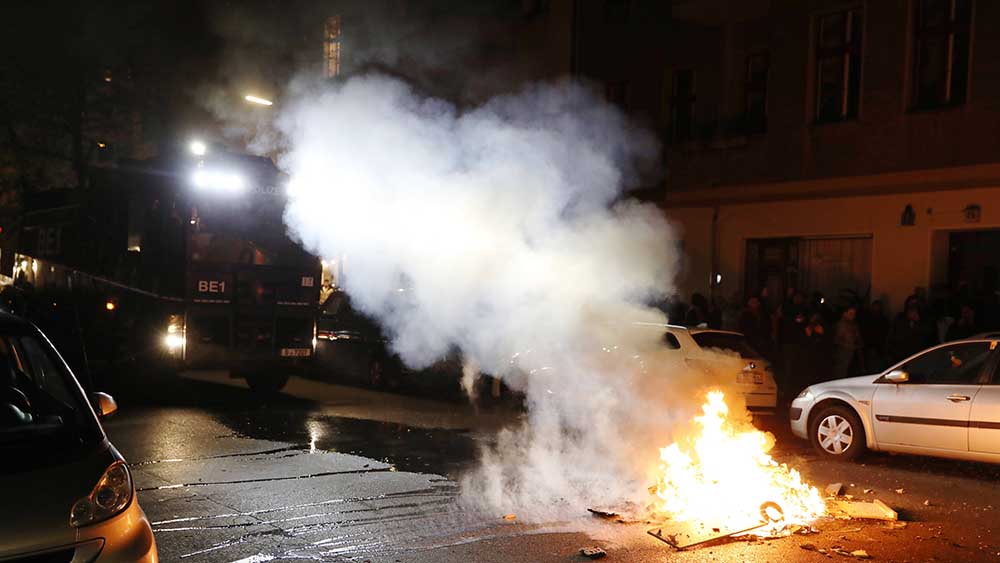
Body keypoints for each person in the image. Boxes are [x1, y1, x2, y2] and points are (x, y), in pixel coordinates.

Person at [833, 306, 864, 380]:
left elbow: (857, 337)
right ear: (845, 314)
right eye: (850, 314)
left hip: (854, 353)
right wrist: (848, 345)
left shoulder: (854, 324)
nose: (853, 316)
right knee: (841, 372)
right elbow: (836, 340)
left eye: (854, 314)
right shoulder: (840, 325)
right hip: (844, 353)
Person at [860, 300, 890, 373]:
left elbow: (885, 333)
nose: (876, 309)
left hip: (879, 347)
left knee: (877, 365)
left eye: (877, 307)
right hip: (869, 346)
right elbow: (864, 332)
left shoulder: (883, 320)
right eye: (874, 307)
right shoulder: (867, 319)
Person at [739, 295, 773, 360]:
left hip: (763, 342)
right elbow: (744, 329)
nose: (753, 304)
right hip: (750, 342)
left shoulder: (763, 315)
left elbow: (768, 327)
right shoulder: (745, 315)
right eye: (751, 302)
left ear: (759, 303)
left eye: (755, 302)